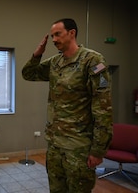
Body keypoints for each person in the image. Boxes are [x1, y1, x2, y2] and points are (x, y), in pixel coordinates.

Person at [22, 18, 113, 192]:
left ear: (72, 33)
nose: (54, 39)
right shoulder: (56, 62)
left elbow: (103, 108)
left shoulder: (93, 61)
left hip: (78, 147)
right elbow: (28, 74)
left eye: (58, 34)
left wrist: (98, 150)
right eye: (52, 35)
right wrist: (37, 54)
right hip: (55, 145)